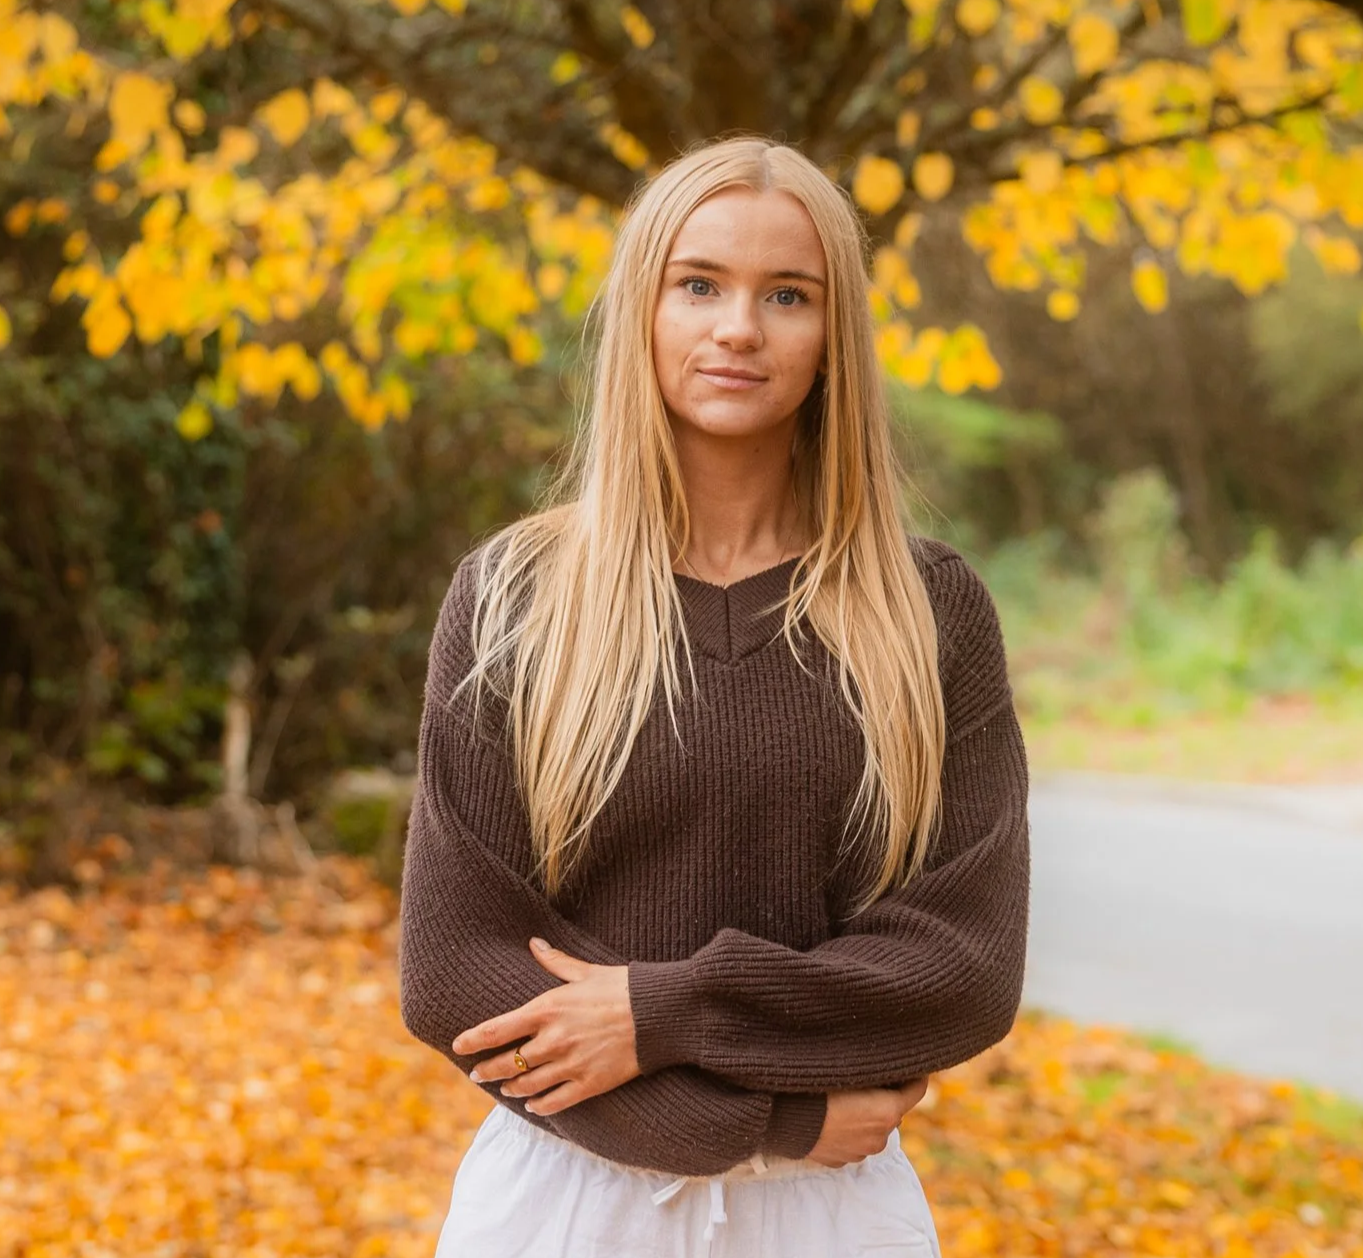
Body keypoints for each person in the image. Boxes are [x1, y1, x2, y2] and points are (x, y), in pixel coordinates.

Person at [398, 135, 1031, 1257]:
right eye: (699, 284)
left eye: (787, 294)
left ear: (834, 338)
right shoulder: (513, 596)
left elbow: (959, 967)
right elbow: (458, 970)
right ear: (643, 312)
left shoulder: (927, 610)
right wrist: (767, 1122)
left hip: (831, 1219)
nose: (739, 327)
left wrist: (658, 1012)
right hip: (567, 1204)